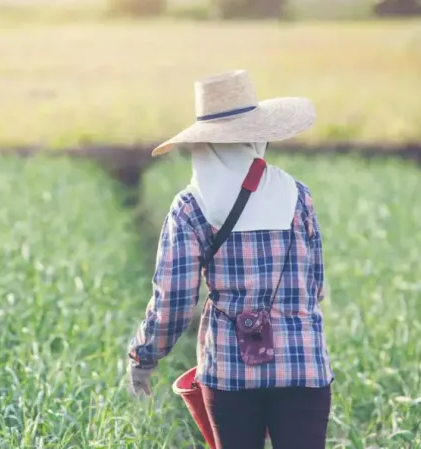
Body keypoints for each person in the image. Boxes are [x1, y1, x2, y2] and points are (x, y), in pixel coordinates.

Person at [126, 70, 333, 449]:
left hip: (231, 373)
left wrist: (144, 356)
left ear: (204, 144)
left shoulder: (191, 206)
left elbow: (173, 302)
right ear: (257, 137)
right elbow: (315, 287)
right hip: (305, 366)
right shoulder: (298, 195)